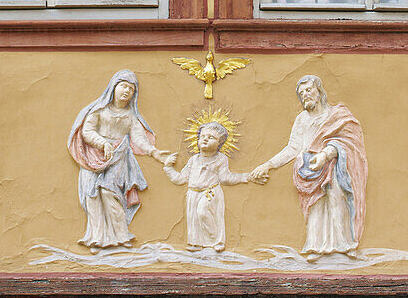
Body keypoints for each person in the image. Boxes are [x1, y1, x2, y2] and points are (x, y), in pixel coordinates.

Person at [251, 75, 367, 261]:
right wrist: (268, 165)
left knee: (337, 200)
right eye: (301, 93)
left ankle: (346, 244)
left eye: (309, 90)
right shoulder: (302, 120)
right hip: (308, 169)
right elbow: (292, 148)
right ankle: (315, 246)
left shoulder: (337, 115)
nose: (305, 95)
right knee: (315, 205)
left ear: (320, 91)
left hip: (334, 167)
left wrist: (327, 154)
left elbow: (349, 141)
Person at [68, 69, 169, 250]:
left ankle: (121, 236)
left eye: (131, 89)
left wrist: (154, 152)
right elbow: (87, 131)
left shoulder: (130, 116)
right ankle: (96, 238)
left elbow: (139, 138)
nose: (126, 91)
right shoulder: (99, 110)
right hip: (92, 158)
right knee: (92, 195)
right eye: (123, 86)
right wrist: (102, 143)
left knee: (110, 194)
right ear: (113, 87)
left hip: (118, 157)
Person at [163, 121, 266, 252]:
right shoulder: (193, 160)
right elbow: (180, 179)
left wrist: (247, 177)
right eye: (203, 136)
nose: (205, 139)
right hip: (193, 193)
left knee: (203, 213)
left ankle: (215, 241)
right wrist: (168, 167)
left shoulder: (220, 159)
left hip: (210, 193)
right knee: (193, 218)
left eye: (211, 137)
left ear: (220, 144)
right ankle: (196, 243)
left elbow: (226, 178)